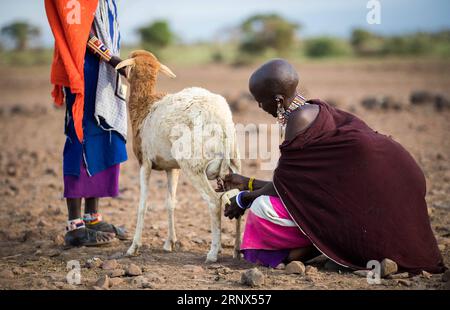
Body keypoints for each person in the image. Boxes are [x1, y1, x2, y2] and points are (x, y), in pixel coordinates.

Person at [219, 58, 446, 273]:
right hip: (401, 179)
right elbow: (296, 184)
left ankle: (322, 248)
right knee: (276, 202)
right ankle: (324, 246)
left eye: (261, 100)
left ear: (278, 100)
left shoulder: (298, 121)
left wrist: (245, 199)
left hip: (376, 199)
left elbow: (286, 185)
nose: (259, 105)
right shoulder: (315, 110)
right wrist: (246, 182)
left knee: (262, 208)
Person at [45, 0, 128, 246]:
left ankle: (92, 217)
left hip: (102, 69)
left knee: (104, 135)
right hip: (83, 69)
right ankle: (75, 226)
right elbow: (78, 33)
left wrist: (113, 62)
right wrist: (113, 60)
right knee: (81, 138)